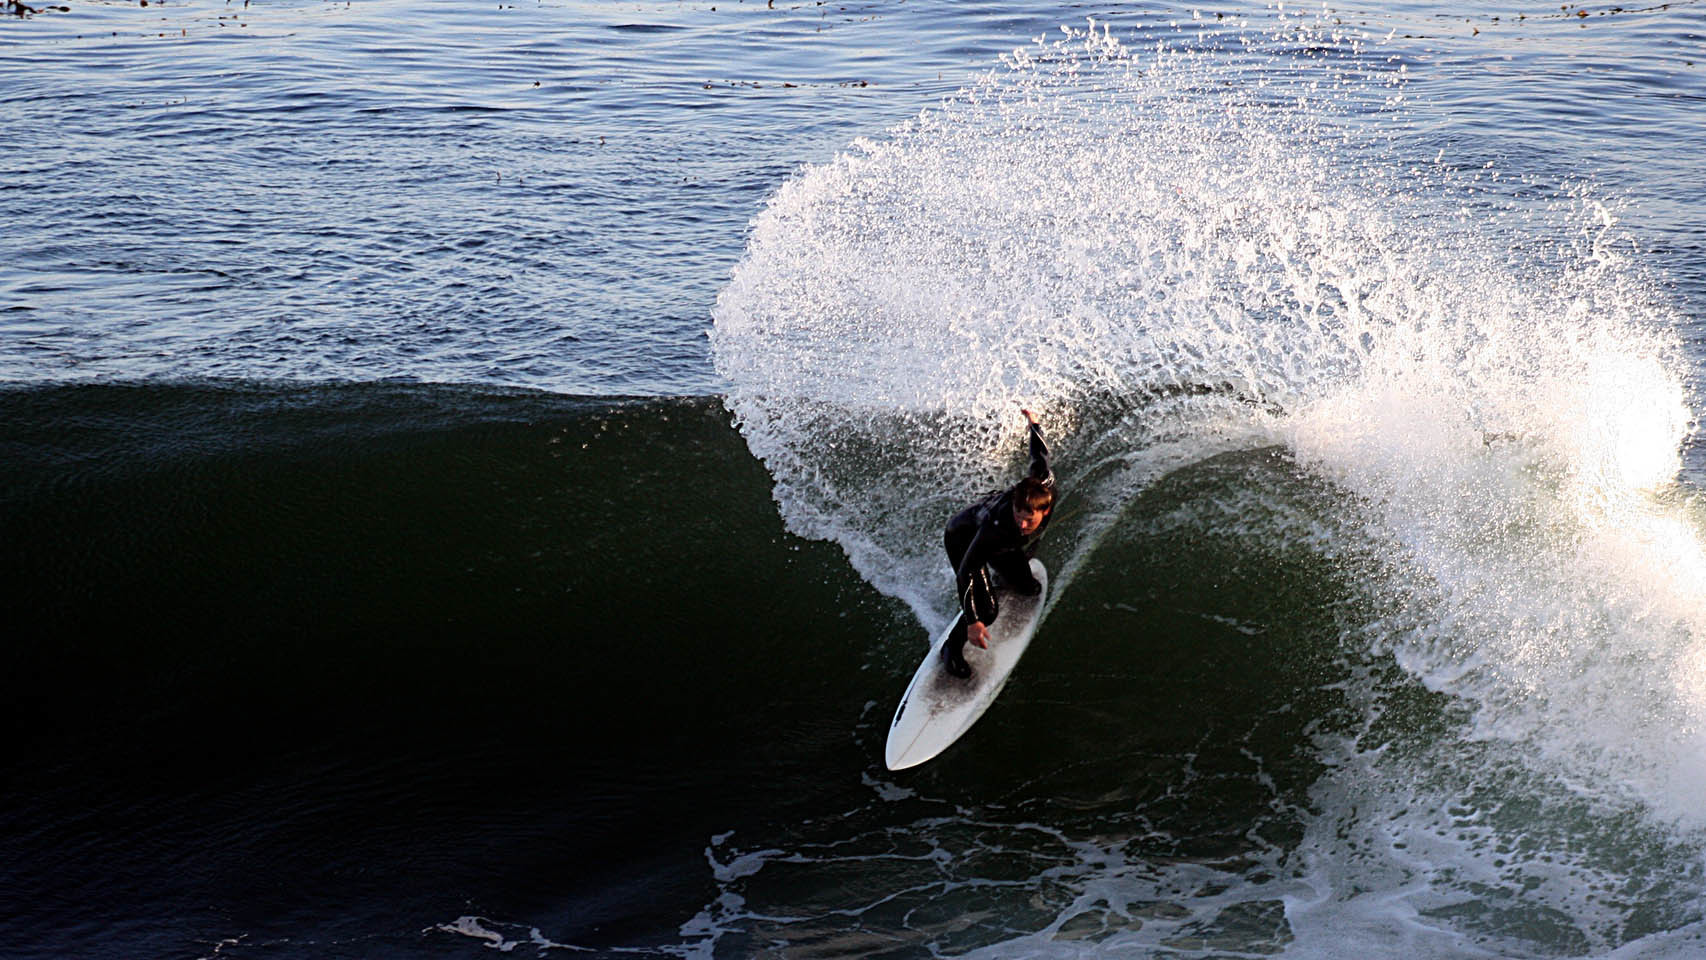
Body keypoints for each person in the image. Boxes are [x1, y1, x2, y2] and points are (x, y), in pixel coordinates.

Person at [940, 407, 1056, 679]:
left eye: (1029, 520)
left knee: (1029, 588)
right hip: (963, 539)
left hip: (998, 541)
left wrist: (1034, 423)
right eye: (1018, 516)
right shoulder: (997, 528)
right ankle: (950, 650)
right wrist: (973, 621)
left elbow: (1039, 454)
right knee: (988, 611)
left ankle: (1001, 574)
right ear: (1013, 505)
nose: (1023, 524)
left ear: (1044, 511)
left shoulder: (1043, 482)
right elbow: (965, 573)